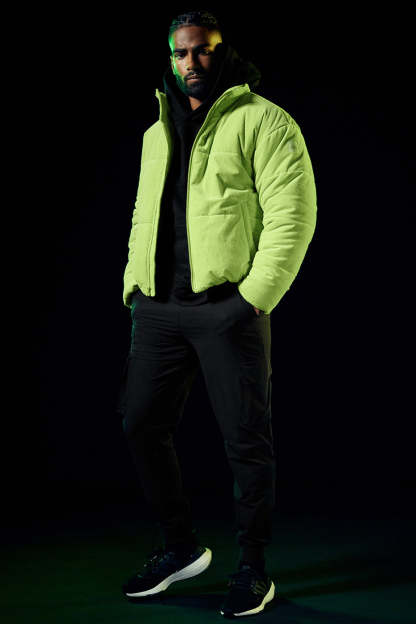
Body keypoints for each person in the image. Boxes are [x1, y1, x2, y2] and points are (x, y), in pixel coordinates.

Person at [117, 9, 317, 618]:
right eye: (181, 53)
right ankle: (179, 546)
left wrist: (253, 297)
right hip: (159, 307)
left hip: (229, 306)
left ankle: (253, 567)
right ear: (170, 60)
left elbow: (293, 214)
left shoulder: (265, 120)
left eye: (203, 50)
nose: (192, 62)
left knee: (245, 441)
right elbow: (144, 213)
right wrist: (134, 286)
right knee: (140, 423)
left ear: (222, 52)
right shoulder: (156, 132)